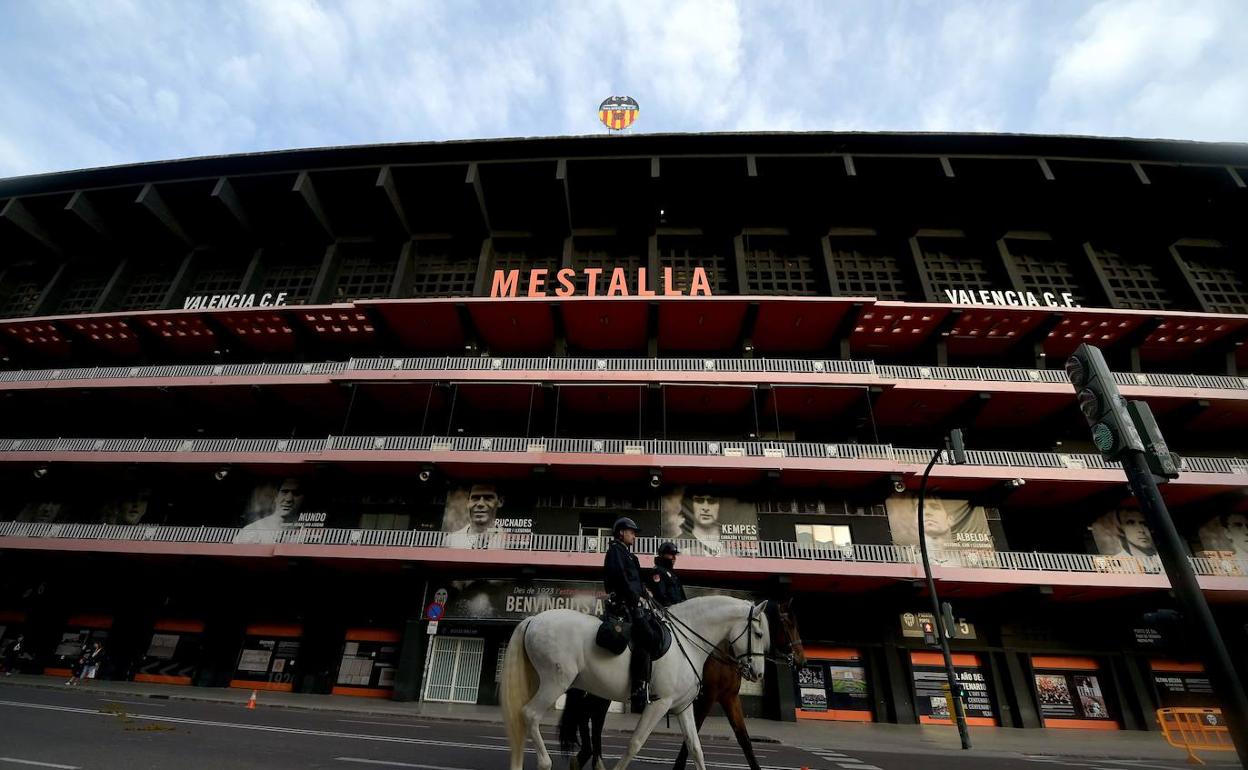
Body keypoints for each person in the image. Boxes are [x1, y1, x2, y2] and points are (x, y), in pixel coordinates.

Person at [604, 516, 653, 712]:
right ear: (621, 533)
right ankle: (638, 688)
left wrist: (645, 592)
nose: (634, 535)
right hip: (623, 604)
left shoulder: (631, 555)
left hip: (634, 602)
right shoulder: (615, 550)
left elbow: (636, 580)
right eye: (631, 532)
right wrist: (635, 598)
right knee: (645, 637)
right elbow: (620, 579)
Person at [443, 483, 505, 549]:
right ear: (468, 502)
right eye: (475, 498)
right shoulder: (451, 540)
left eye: (488, 498)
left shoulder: (508, 540)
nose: (480, 504)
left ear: (500, 502)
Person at [648, 541, 686, 608]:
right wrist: (670, 607)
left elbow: (680, 593)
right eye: (671, 554)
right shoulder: (657, 571)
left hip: (678, 610)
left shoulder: (671, 573)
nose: (674, 558)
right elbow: (660, 593)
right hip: (667, 612)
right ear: (663, 555)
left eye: (675, 555)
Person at [688, 492, 724, 556]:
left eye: (712, 501)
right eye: (699, 501)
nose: (705, 508)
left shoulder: (732, 547)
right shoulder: (680, 545)